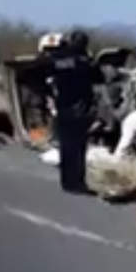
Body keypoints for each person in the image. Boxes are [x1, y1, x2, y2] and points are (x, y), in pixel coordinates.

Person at [45, 30, 103, 194]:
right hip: (82, 108)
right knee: (78, 147)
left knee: (67, 146)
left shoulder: (61, 59)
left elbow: (45, 70)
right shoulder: (86, 61)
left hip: (64, 106)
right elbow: (99, 77)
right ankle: (77, 181)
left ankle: (68, 182)